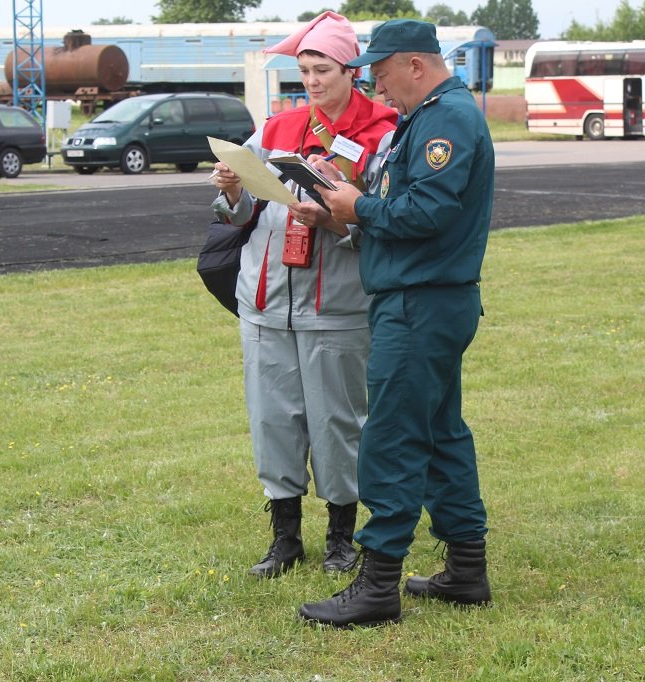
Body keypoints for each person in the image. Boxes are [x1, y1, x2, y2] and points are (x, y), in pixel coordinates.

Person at [298, 19, 496, 627]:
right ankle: (466, 569)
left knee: (392, 437)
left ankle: (378, 583)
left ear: (415, 64)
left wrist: (357, 205)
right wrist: (346, 208)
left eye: (382, 75)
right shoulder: (430, 114)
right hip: (426, 298)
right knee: (439, 433)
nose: (377, 88)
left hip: (419, 302)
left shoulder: (445, 118)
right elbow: (409, 206)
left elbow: (429, 211)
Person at [209, 11, 398, 579]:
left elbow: (390, 222)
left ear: (352, 71)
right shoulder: (276, 127)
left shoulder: (385, 133)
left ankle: (341, 537)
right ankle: (284, 537)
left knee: (339, 422)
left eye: (323, 70)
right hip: (265, 300)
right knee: (273, 419)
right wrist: (233, 189)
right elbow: (239, 212)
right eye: (305, 70)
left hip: (337, 304)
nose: (312, 81)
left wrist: (336, 220)